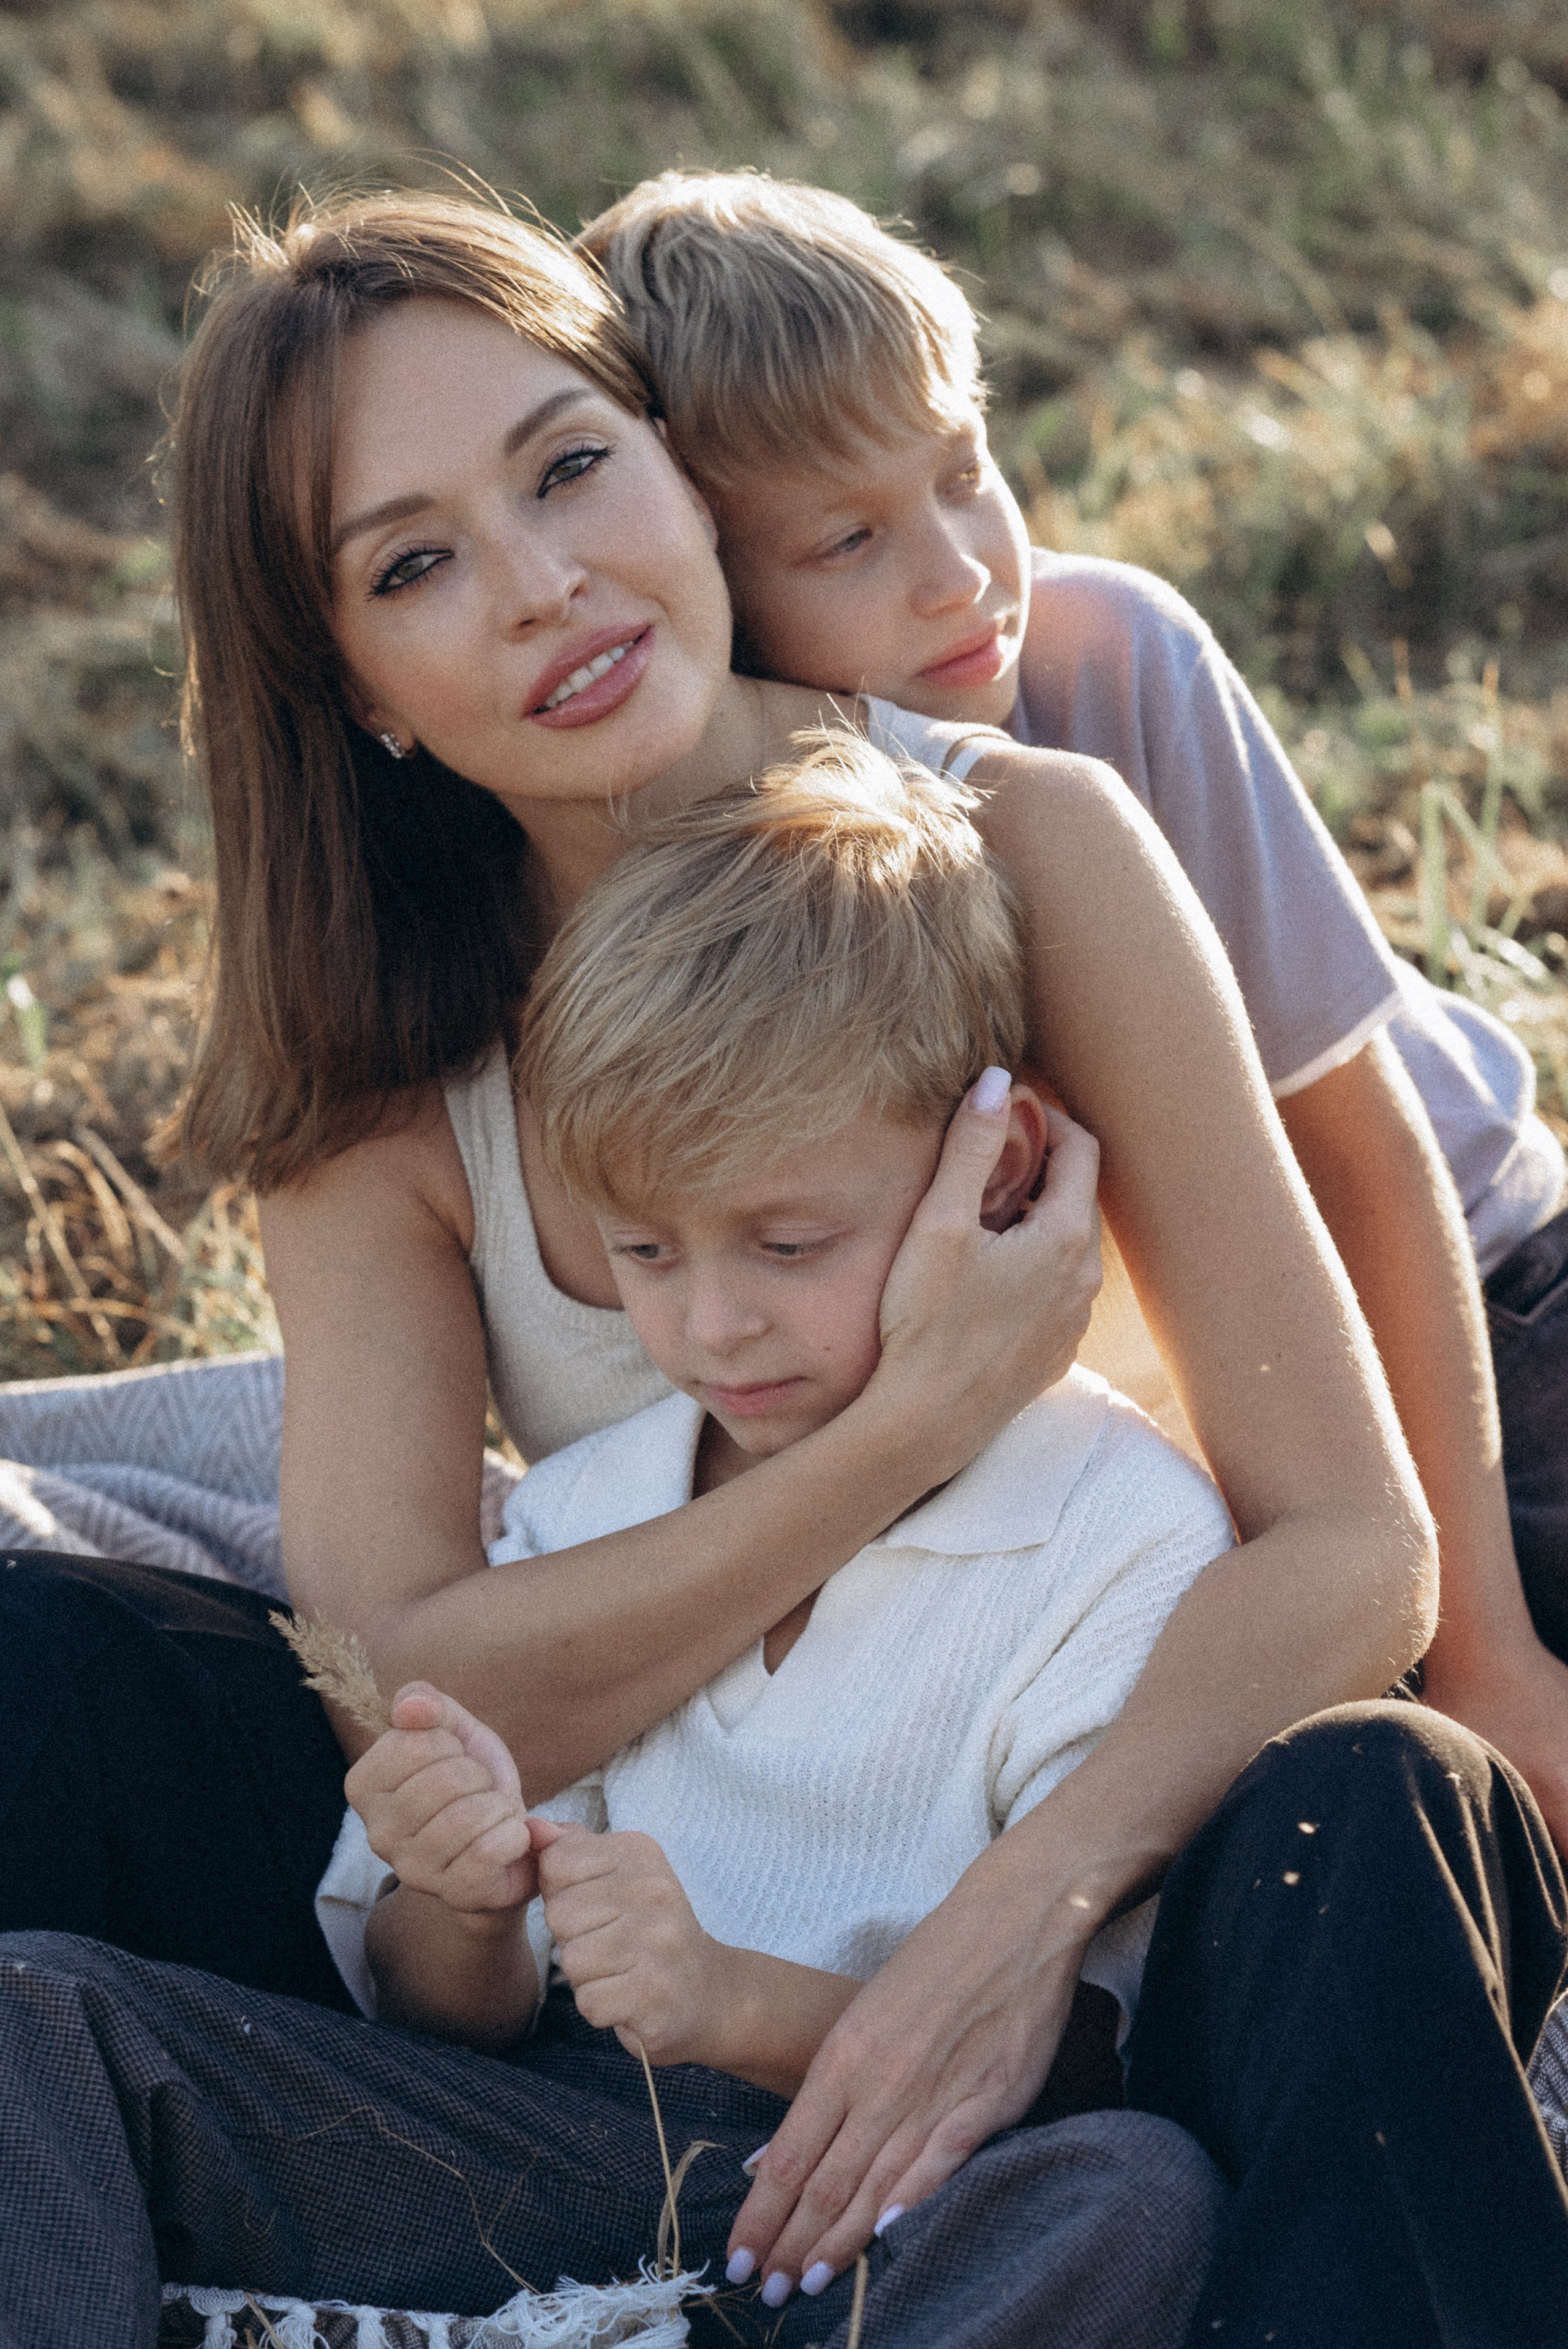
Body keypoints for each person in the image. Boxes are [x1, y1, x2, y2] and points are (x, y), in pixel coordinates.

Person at [0, 190, 1436, 2288]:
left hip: (1075, 1816)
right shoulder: (381, 1074)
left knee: (1382, 1818)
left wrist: (1009, 1931)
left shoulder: (1024, 846)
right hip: (657, 1925)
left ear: (676, 458)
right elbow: (401, 1675)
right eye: (416, 565)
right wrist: (909, 1415)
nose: (545, 585)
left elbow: (1351, 1549)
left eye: (571, 464)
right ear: (357, 683)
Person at [7, 744, 1563, 2349]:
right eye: (646, 1256)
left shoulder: (1113, 1536)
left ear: (1000, 1159)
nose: (715, 1321)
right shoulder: (585, 1519)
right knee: (36, 2017)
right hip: (559, 2159)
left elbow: (1095, 2053)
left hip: (898, 2203)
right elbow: (428, 2010)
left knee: (1129, 2196)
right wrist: (455, 1899)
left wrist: (733, 2005)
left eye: (788, 1242)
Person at [576, 167, 1568, 1839]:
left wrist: (1493, 1655)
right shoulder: (710, 852)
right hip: (1179, 1442)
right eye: (851, 540)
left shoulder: (1111, 666)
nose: (963, 573)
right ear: (710, 583)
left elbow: (1361, 1153)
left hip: (1479, 1314)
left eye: (967, 474)